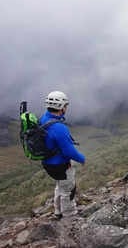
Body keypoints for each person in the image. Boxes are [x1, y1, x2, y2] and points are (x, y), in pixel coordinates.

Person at [40, 91, 85, 220]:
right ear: (61, 107)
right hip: (60, 164)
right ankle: (70, 216)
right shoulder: (59, 128)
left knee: (60, 186)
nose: (66, 108)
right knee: (68, 190)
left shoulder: (43, 119)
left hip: (48, 164)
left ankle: (58, 211)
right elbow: (69, 151)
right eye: (65, 105)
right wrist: (82, 159)